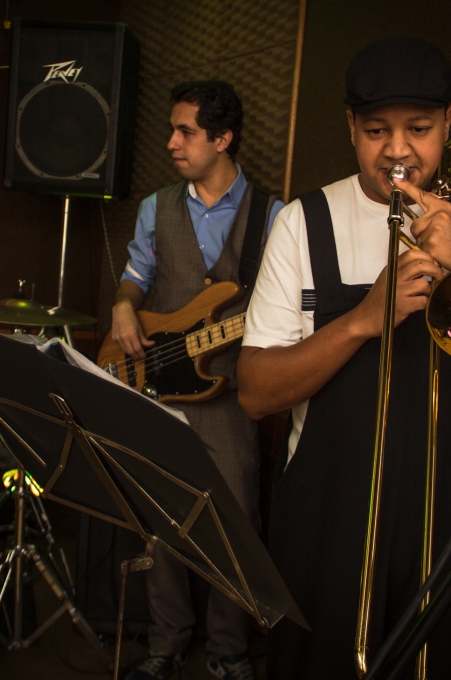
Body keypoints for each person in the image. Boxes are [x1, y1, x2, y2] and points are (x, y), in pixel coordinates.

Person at [236, 37, 451, 679]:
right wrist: (365, 320)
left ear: (450, 122)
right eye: (376, 131)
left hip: (450, 521)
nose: (397, 150)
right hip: (327, 520)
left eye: (419, 129)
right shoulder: (302, 223)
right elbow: (256, 392)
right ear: (349, 128)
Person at [111, 80, 284, 680]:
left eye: (185, 131)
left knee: (233, 524)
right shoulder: (156, 207)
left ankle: (228, 651)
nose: (172, 142)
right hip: (158, 385)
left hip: (230, 396)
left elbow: (286, 306)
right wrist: (123, 306)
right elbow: (136, 276)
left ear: (223, 138)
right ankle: (165, 643)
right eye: (173, 129)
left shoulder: (274, 215)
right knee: (162, 523)